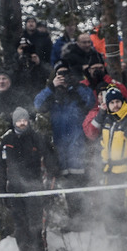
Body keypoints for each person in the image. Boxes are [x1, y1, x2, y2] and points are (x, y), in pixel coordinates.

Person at [0, 107, 59, 251]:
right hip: (15, 190)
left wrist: (50, 191)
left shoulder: (37, 138)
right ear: (14, 122)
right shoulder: (7, 140)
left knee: (35, 226)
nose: (22, 123)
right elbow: (1, 167)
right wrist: (2, 190)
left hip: (34, 188)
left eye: (24, 120)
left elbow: (50, 161)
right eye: (18, 120)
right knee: (20, 227)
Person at [34, 60, 95, 225]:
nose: (63, 77)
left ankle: (88, 220)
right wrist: (51, 87)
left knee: (82, 184)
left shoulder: (78, 90)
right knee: (68, 186)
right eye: (59, 73)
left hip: (78, 145)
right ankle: (75, 221)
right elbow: (38, 105)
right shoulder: (51, 93)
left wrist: (75, 85)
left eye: (65, 73)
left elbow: (91, 101)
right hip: (61, 146)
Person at [88, 87, 127, 251]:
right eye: (112, 102)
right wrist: (103, 166)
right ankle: (115, 248)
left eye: (117, 102)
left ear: (122, 102)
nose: (115, 105)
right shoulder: (108, 121)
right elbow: (104, 146)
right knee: (112, 211)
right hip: (111, 174)